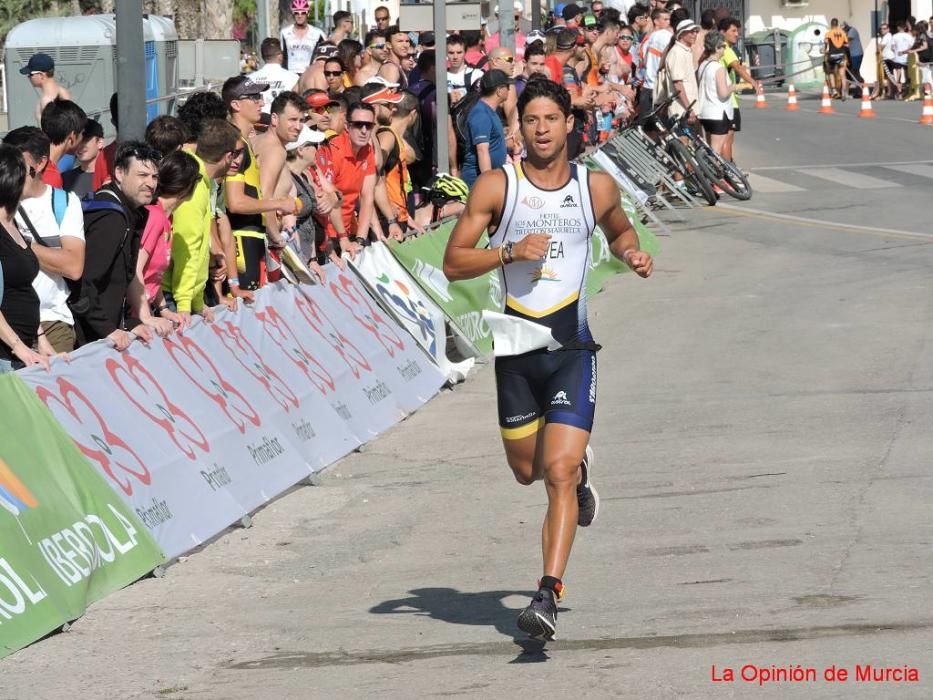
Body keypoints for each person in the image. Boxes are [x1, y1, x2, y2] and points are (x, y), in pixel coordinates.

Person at [442, 78, 653, 641]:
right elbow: (453, 263)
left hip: (571, 350)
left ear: (568, 124)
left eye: (550, 119)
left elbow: (619, 229)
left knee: (555, 473)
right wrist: (507, 251)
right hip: (516, 353)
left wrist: (629, 250)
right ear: (520, 128)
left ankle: (547, 596)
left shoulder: (597, 188)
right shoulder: (496, 187)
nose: (540, 128)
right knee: (527, 472)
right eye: (531, 119)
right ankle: (579, 473)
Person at [4, 127, 85, 354]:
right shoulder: (3, 204)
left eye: (18, 162)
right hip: (7, 324)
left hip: (52, 322)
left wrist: (20, 244)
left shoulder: (63, 203)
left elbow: (73, 266)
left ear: (40, 164)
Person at [74, 141, 159, 350]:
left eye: (154, 177)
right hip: (85, 338)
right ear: (120, 173)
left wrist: (128, 324)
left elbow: (118, 279)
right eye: (142, 175)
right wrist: (108, 330)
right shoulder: (111, 217)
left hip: (101, 331)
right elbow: (84, 284)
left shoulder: (130, 213)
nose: (151, 183)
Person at [222, 75, 299, 291]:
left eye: (260, 97)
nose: (261, 102)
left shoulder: (245, 141)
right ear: (235, 104)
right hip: (241, 236)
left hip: (249, 235)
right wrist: (278, 205)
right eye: (254, 97)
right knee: (243, 311)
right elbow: (235, 202)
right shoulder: (235, 143)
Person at [161, 121, 240, 326]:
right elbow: (185, 247)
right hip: (174, 298)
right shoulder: (194, 184)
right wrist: (186, 304)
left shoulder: (203, 182)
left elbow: (199, 247)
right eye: (236, 154)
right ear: (227, 156)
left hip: (183, 295)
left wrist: (197, 302)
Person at [135, 150, 201, 337]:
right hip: (133, 316)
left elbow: (153, 276)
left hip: (144, 310)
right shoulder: (154, 215)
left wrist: (163, 308)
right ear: (188, 187)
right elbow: (136, 269)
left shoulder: (166, 218)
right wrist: (147, 317)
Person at [0, 144, 50, 372]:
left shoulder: (13, 223)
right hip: (5, 356)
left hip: (22, 351)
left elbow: (22, 289)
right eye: (29, 171)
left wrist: (40, 339)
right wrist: (18, 346)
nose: (34, 176)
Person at [315, 102, 380, 257]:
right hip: (327, 236)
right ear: (347, 126)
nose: (364, 131)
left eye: (369, 126)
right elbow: (326, 199)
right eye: (358, 125)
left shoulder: (367, 150)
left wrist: (361, 240)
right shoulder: (333, 149)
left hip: (348, 234)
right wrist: (335, 241)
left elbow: (367, 198)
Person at [461, 70, 512, 188]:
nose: (509, 90)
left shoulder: (489, 111)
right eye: (507, 86)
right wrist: (488, 184)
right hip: (478, 181)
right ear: (499, 91)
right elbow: (482, 151)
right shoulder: (481, 114)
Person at [719, 17, 759, 162]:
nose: (737, 34)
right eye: (733, 31)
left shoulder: (719, 48)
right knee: (728, 139)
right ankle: (727, 171)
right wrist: (753, 82)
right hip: (729, 101)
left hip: (723, 99)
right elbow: (738, 67)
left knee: (723, 139)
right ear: (723, 32)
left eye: (738, 31)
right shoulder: (726, 49)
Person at [696, 32, 740, 156]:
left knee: (710, 145)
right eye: (723, 47)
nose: (725, 50)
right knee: (716, 150)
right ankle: (714, 174)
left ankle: (709, 172)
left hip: (705, 112)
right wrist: (734, 87)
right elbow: (723, 93)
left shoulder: (703, 65)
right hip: (718, 113)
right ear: (716, 48)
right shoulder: (718, 68)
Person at [656, 19, 700, 122]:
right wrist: (689, 109)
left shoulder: (685, 51)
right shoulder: (677, 53)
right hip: (681, 111)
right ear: (681, 34)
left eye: (696, 31)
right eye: (691, 31)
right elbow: (678, 84)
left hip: (686, 109)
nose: (694, 34)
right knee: (682, 138)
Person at [40, 99, 87, 189]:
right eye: (82, 133)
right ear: (72, 137)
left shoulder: (34, 163)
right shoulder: (51, 176)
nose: (83, 139)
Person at [20, 53, 71, 125]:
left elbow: (55, 131)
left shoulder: (46, 100)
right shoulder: (63, 92)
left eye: (31, 74)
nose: (29, 77)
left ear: (41, 75)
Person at [251, 38, 300, 111]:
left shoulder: (250, 78)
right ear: (280, 56)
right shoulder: (294, 78)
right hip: (283, 119)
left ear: (262, 56)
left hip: (260, 119)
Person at [62, 119, 106, 197]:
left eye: (85, 140)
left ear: (100, 142)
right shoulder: (64, 179)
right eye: (77, 141)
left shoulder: (110, 176)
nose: (80, 145)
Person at [280, 0, 326, 74]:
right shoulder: (284, 33)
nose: (299, 16)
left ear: (308, 13)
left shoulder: (318, 33)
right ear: (293, 13)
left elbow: (325, 54)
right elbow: (282, 55)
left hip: (309, 74)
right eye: (296, 13)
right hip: (290, 74)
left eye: (303, 13)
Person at [448, 34, 483, 104]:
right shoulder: (439, 77)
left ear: (465, 52)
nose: (455, 57)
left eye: (459, 52)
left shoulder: (477, 75)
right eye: (451, 53)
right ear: (446, 53)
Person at [824, 18, 850, 99]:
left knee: (831, 73)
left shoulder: (828, 33)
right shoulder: (843, 33)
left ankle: (834, 90)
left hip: (832, 56)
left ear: (831, 25)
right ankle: (843, 91)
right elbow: (847, 45)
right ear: (837, 24)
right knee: (842, 74)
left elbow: (826, 44)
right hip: (841, 55)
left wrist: (825, 51)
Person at [843, 21, 864, 92]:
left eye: (844, 29)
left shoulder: (852, 31)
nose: (844, 31)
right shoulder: (848, 31)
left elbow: (846, 40)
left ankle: (860, 88)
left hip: (857, 54)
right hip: (853, 54)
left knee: (854, 71)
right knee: (854, 72)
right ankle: (860, 86)